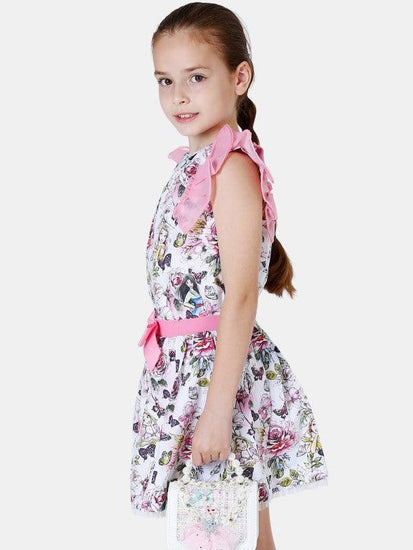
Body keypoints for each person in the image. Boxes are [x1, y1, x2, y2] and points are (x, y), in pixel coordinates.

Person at [130, 3, 329, 548]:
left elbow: (241, 296)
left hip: (219, 380)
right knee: (231, 530)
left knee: (221, 531)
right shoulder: (192, 166)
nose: (179, 96)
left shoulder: (233, 168)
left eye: (196, 77)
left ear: (239, 78)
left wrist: (217, 412)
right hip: (183, 378)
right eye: (165, 81)